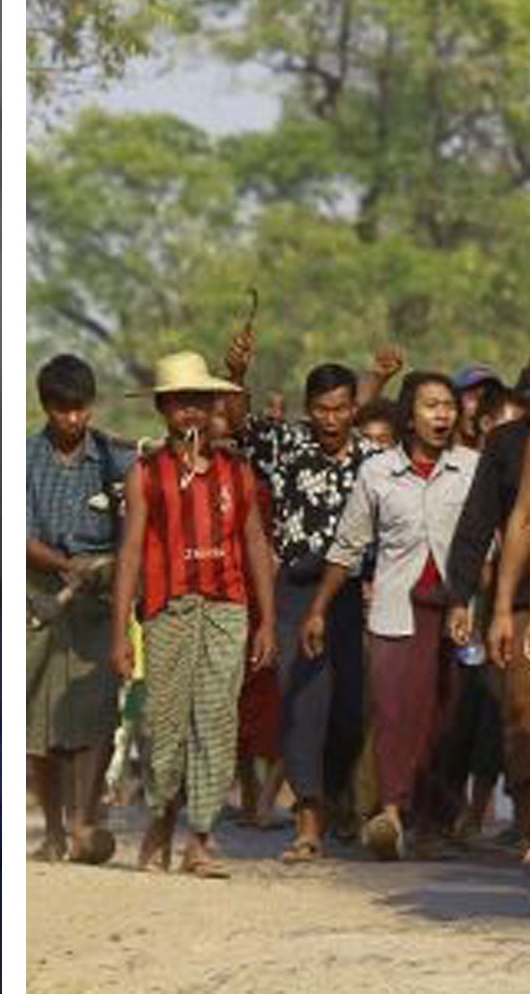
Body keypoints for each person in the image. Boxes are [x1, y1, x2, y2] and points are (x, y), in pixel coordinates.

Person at [109, 352, 277, 878]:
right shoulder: (146, 474)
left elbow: (254, 544)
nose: (191, 414)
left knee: (217, 718)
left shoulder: (237, 471)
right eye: (181, 404)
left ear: (213, 407)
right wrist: (121, 633)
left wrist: (266, 620)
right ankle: (160, 821)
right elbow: (131, 553)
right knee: (164, 723)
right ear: (163, 409)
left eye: (200, 403)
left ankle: (201, 839)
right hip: (167, 609)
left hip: (227, 606)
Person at [303, 371, 478, 860]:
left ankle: (429, 818)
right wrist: (318, 608)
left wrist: (481, 598)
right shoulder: (377, 472)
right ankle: (392, 814)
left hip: (454, 610)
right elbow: (349, 544)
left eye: (448, 406)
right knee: (396, 710)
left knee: (442, 721)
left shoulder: (472, 468)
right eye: (431, 406)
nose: (442, 415)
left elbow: (492, 538)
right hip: (395, 610)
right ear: (408, 415)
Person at [222, 342, 379, 863]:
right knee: (302, 704)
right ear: (308, 408)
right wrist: (238, 377)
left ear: (355, 408)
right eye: (321, 409)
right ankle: (307, 819)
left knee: (351, 708)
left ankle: (334, 798)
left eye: (341, 409)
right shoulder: (287, 444)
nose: (331, 419)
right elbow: (244, 427)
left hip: (354, 592)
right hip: (296, 586)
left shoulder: (373, 459)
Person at [445, 331, 530, 852]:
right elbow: (478, 522)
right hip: (523, 595)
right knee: (524, 712)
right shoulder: (509, 442)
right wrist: (463, 596)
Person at [27, 354, 127, 866]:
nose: (74, 420)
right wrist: (68, 565)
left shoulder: (115, 458)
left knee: (95, 713)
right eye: (63, 411)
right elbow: (21, 537)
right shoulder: (27, 459)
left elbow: (138, 518)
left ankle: (85, 820)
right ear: (47, 409)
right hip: (41, 595)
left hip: (100, 599)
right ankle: (53, 829)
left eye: (81, 410)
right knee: (39, 719)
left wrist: (104, 570)